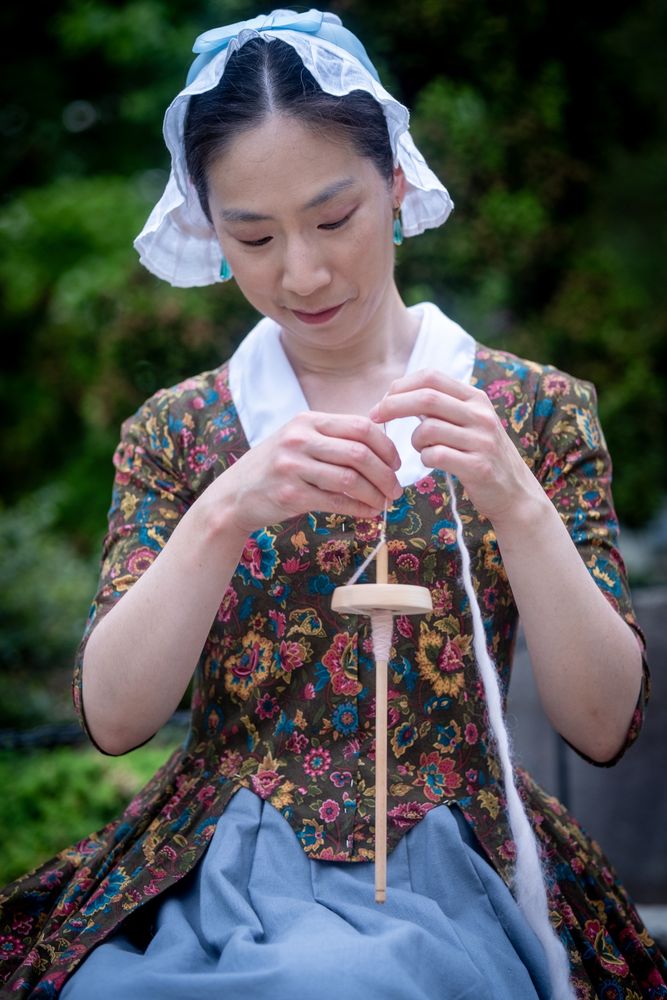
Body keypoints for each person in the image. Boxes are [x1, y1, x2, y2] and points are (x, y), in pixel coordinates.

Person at [1, 9, 665, 999]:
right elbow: (116, 716)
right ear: (209, 230)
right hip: (215, 867)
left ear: (395, 182)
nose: (301, 272)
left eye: (334, 217)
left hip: (452, 857)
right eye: (254, 236)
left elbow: (604, 725)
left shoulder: (528, 409)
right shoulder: (183, 430)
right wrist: (225, 510)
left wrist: (516, 500)